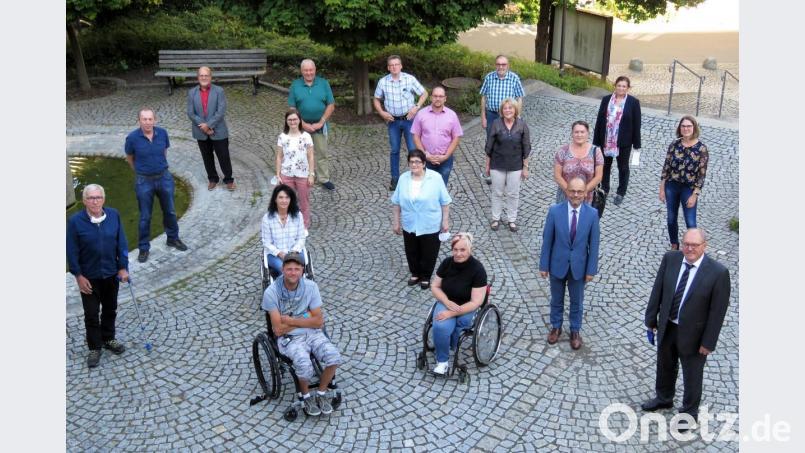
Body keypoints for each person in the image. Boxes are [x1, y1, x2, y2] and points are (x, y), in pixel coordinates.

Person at [642, 228, 730, 431]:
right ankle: (664, 397)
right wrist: (651, 319)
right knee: (665, 364)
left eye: (695, 245)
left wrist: (708, 342)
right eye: (686, 244)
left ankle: (690, 413)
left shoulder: (718, 273)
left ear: (704, 246)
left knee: (692, 374)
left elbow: (718, 312)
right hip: (669, 325)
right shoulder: (670, 259)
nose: (689, 249)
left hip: (695, 335)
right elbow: (658, 290)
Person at [262, 252, 342, 416]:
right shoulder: (271, 292)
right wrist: (306, 317)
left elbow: (318, 322)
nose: (293, 272)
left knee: (334, 357)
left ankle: (320, 393)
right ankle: (305, 396)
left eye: (296, 269)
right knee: (304, 366)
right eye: (289, 269)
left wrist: (291, 320)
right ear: (283, 270)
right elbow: (278, 330)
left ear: (302, 270)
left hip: (313, 333)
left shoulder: (311, 287)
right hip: (289, 339)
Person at [67, 184, 129, 368]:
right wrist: (78, 275)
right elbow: (71, 250)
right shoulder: (75, 221)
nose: (95, 201)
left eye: (98, 197)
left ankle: (109, 338)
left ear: (103, 199)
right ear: (84, 200)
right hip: (89, 277)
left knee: (110, 309)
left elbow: (122, 243)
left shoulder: (114, 215)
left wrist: (123, 267)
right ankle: (95, 347)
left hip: (111, 273)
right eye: (91, 198)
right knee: (91, 314)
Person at [539, 177, 600, 350]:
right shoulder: (554, 211)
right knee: (556, 300)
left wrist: (591, 270)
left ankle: (575, 330)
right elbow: (547, 240)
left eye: (580, 192)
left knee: (577, 301)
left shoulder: (592, 214)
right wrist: (544, 265)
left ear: (585, 193)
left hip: (579, 267)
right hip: (557, 264)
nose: (576, 195)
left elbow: (594, 245)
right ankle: (556, 327)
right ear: (567, 191)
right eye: (572, 191)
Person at [124, 107, 188, 263]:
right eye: (144, 119)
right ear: (139, 121)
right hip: (144, 180)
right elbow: (130, 158)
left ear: (155, 120)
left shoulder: (162, 133)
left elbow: (164, 152)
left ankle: (172, 238)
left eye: (150, 119)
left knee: (170, 211)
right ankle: (144, 248)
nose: (147, 122)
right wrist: (140, 171)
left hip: (164, 177)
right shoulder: (132, 138)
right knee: (145, 216)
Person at [391, 149, 452, 290]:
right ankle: (415, 273)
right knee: (411, 249)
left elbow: (445, 201)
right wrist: (396, 222)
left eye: (417, 161)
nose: (414, 165)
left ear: (424, 163)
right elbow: (396, 202)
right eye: (411, 162)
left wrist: (445, 221)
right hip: (410, 222)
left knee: (429, 251)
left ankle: (425, 276)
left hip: (430, 222)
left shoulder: (435, 178)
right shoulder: (403, 178)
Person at [430, 233, 488, 375]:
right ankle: (442, 362)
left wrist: (452, 313)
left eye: (462, 250)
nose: (458, 253)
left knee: (461, 322)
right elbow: (435, 286)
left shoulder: (478, 270)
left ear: (470, 250)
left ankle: (451, 344)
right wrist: (446, 302)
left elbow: (476, 302)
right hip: (447, 301)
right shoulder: (447, 263)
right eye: (455, 249)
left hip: (467, 306)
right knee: (441, 326)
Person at [373, 55, 428, 191]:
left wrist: (416, 107)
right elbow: (376, 99)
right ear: (388, 67)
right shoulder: (383, 82)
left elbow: (424, 93)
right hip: (393, 122)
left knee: (413, 150)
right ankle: (395, 179)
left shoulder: (409, 79)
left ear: (401, 66)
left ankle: (418, 176)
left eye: (396, 64)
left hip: (409, 121)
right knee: (394, 150)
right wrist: (382, 112)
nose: (394, 67)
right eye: (391, 65)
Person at [660, 115, 709, 250]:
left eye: (689, 126)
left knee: (690, 221)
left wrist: (695, 194)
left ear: (694, 128)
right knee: (671, 218)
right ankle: (674, 244)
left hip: (689, 189)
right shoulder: (674, 144)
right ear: (679, 128)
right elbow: (666, 167)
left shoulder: (701, 149)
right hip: (672, 186)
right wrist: (662, 188)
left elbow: (701, 174)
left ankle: (693, 247)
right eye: (683, 126)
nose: (686, 128)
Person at [484, 98, 532, 233]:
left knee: (513, 194)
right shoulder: (496, 124)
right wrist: (487, 166)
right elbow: (489, 146)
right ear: (502, 111)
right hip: (497, 164)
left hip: (516, 166)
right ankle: (495, 218)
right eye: (505, 108)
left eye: (510, 108)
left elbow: (526, 147)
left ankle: (512, 219)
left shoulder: (522, 125)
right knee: (497, 193)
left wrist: (525, 167)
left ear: (515, 110)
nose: (508, 110)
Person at [593, 75, 642, 206]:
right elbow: (599, 120)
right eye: (619, 85)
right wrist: (596, 141)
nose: (621, 88)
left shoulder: (633, 102)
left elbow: (637, 124)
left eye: (624, 86)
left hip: (623, 142)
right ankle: (605, 188)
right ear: (615, 86)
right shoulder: (606, 99)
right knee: (605, 165)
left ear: (628, 88)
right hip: (606, 139)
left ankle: (621, 192)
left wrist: (637, 144)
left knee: (623, 167)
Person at [288, 59, 336, 191]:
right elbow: (292, 108)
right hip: (300, 127)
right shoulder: (295, 85)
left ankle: (323, 178)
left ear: (315, 70)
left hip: (320, 126)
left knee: (322, 152)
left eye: (311, 70)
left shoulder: (324, 83)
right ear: (301, 71)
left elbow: (331, 105)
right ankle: (302, 177)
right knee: (300, 153)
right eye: (306, 70)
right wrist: (302, 123)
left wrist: (321, 122)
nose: (309, 73)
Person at [186, 66, 235, 191]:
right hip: (200, 131)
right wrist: (204, 126)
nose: (203, 77)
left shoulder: (219, 91)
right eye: (201, 75)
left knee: (223, 156)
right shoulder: (192, 92)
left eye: (206, 75)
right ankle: (212, 179)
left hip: (218, 130)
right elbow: (191, 113)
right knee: (207, 156)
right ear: (198, 77)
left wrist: (209, 125)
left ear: (210, 77)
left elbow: (221, 111)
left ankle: (228, 179)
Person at [480, 54, 525, 184]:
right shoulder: (489, 77)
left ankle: (507, 170)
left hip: (509, 116)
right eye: (498, 64)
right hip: (492, 115)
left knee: (509, 142)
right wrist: (483, 116)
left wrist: (518, 115)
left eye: (503, 64)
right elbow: (483, 97)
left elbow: (519, 97)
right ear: (495, 65)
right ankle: (490, 171)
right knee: (490, 143)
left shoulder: (514, 78)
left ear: (508, 65)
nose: (501, 67)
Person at [411, 86, 463, 185]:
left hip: (445, 159)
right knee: (426, 188)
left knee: (442, 188)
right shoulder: (421, 114)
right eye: (435, 96)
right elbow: (416, 136)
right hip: (426, 159)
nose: (438, 99)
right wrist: (425, 155)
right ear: (431, 98)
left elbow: (456, 137)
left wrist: (446, 156)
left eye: (440, 96)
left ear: (445, 98)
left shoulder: (452, 115)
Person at [276, 109, 315, 229]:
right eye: (290, 120)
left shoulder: (306, 136)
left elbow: (311, 156)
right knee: (286, 201)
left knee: (304, 202)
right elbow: (278, 156)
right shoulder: (282, 137)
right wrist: (278, 174)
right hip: (286, 174)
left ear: (299, 120)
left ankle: (304, 225)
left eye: (295, 119)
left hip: (303, 174)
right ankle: (288, 224)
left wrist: (311, 174)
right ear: (286, 121)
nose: (292, 122)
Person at [261, 184, 306, 278]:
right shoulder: (267, 218)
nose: (284, 200)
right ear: (275, 199)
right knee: (286, 271)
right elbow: (267, 243)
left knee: (296, 271)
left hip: (295, 253)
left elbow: (301, 238)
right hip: (275, 255)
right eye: (280, 197)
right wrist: (280, 254)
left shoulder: (298, 216)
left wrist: (294, 252)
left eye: (287, 197)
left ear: (291, 199)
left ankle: (299, 290)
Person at [553, 120, 604, 204]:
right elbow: (557, 175)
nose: (579, 135)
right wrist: (569, 192)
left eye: (582, 132)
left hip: (587, 198)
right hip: (565, 197)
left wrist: (583, 192)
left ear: (588, 133)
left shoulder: (596, 151)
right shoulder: (563, 151)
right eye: (576, 132)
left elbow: (598, 176)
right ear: (572, 134)